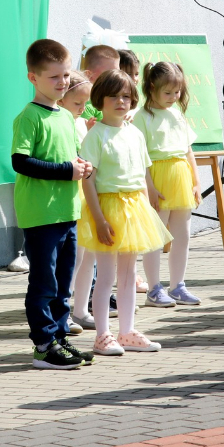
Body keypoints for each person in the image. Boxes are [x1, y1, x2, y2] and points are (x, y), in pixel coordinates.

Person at [12, 39, 95, 370]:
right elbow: (21, 161)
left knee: (63, 284)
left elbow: (72, 158)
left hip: (67, 213)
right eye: (54, 77)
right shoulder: (29, 117)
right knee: (44, 283)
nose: (62, 83)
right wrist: (67, 171)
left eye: (65, 76)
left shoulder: (65, 115)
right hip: (41, 215)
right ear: (33, 78)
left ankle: (60, 338)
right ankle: (44, 345)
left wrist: (82, 166)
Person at [79, 69, 172, 354]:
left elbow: (142, 173)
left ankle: (127, 331)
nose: (121, 102)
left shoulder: (134, 133)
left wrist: (149, 211)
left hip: (135, 208)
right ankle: (103, 334)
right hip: (108, 206)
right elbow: (88, 181)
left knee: (129, 274)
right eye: (114, 96)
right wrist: (98, 219)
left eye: (127, 97)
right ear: (100, 99)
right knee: (106, 275)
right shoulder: (95, 136)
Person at [135, 61, 203, 306]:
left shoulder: (177, 114)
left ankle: (178, 286)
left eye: (177, 93)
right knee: (156, 236)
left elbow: (188, 150)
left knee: (182, 235)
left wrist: (196, 182)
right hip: (157, 177)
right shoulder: (141, 117)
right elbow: (140, 156)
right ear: (151, 86)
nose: (174, 97)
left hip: (180, 177)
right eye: (168, 93)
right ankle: (154, 289)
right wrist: (149, 186)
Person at [61, 69, 96, 334]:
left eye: (85, 104)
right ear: (61, 98)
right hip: (74, 195)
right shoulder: (62, 121)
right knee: (75, 256)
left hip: (89, 194)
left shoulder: (81, 122)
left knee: (89, 255)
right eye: (77, 104)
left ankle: (82, 308)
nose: (82, 109)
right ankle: (67, 310)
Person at [79, 45, 120, 126]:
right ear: (89, 75)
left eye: (117, 72)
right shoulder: (84, 104)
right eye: (108, 73)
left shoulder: (114, 98)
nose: (114, 77)